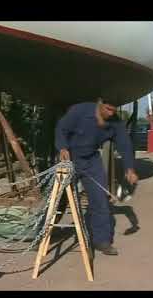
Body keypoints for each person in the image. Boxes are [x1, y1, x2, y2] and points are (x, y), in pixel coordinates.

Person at [55, 99, 138, 255]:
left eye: (114, 110)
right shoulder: (80, 110)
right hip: (69, 158)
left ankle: (102, 240)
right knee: (58, 198)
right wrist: (62, 147)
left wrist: (129, 168)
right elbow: (61, 128)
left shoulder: (115, 122)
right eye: (107, 109)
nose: (110, 113)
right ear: (100, 103)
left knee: (100, 199)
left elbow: (125, 145)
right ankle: (42, 234)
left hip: (91, 160)